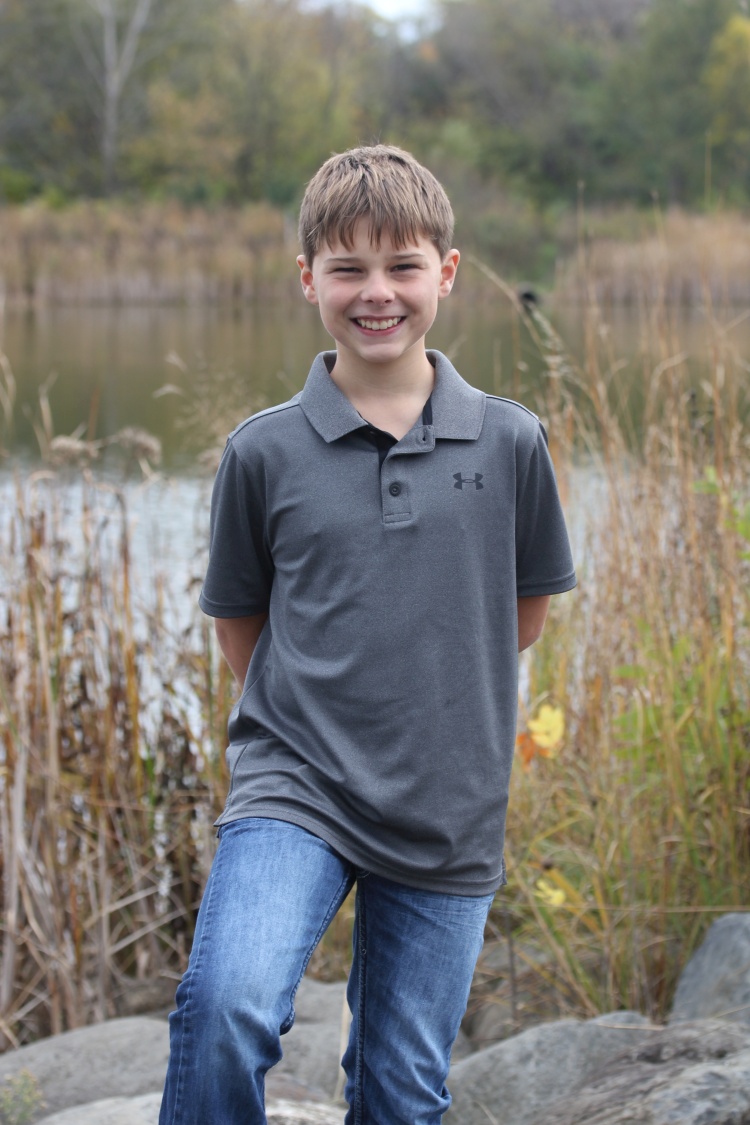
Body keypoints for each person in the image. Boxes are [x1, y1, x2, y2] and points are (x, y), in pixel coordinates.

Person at [159, 144, 576, 1125]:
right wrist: (315, 708)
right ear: (309, 278)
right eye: (347, 268)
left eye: (403, 266)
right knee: (224, 1006)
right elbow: (243, 623)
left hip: (448, 799)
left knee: (400, 1090)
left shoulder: (511, 441)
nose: (376, 292)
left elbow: (517, 617)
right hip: (297, 783)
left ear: (448, 273)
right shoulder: (263, 450)